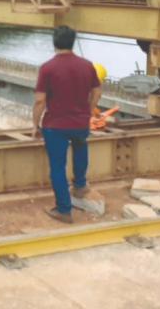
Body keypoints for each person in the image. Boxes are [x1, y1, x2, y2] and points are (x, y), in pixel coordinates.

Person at [33, 26, 102, 223]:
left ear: (54, 43)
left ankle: (64, 210)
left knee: (57, 166)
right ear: (72, 42)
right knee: (81, 149)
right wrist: (89, 109)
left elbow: (40, 101)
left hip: (56, 125)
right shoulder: (87, 65)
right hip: (80, 122)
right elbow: (97, 91)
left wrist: (34, 124)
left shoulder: (47, 68)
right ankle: (80, 186)